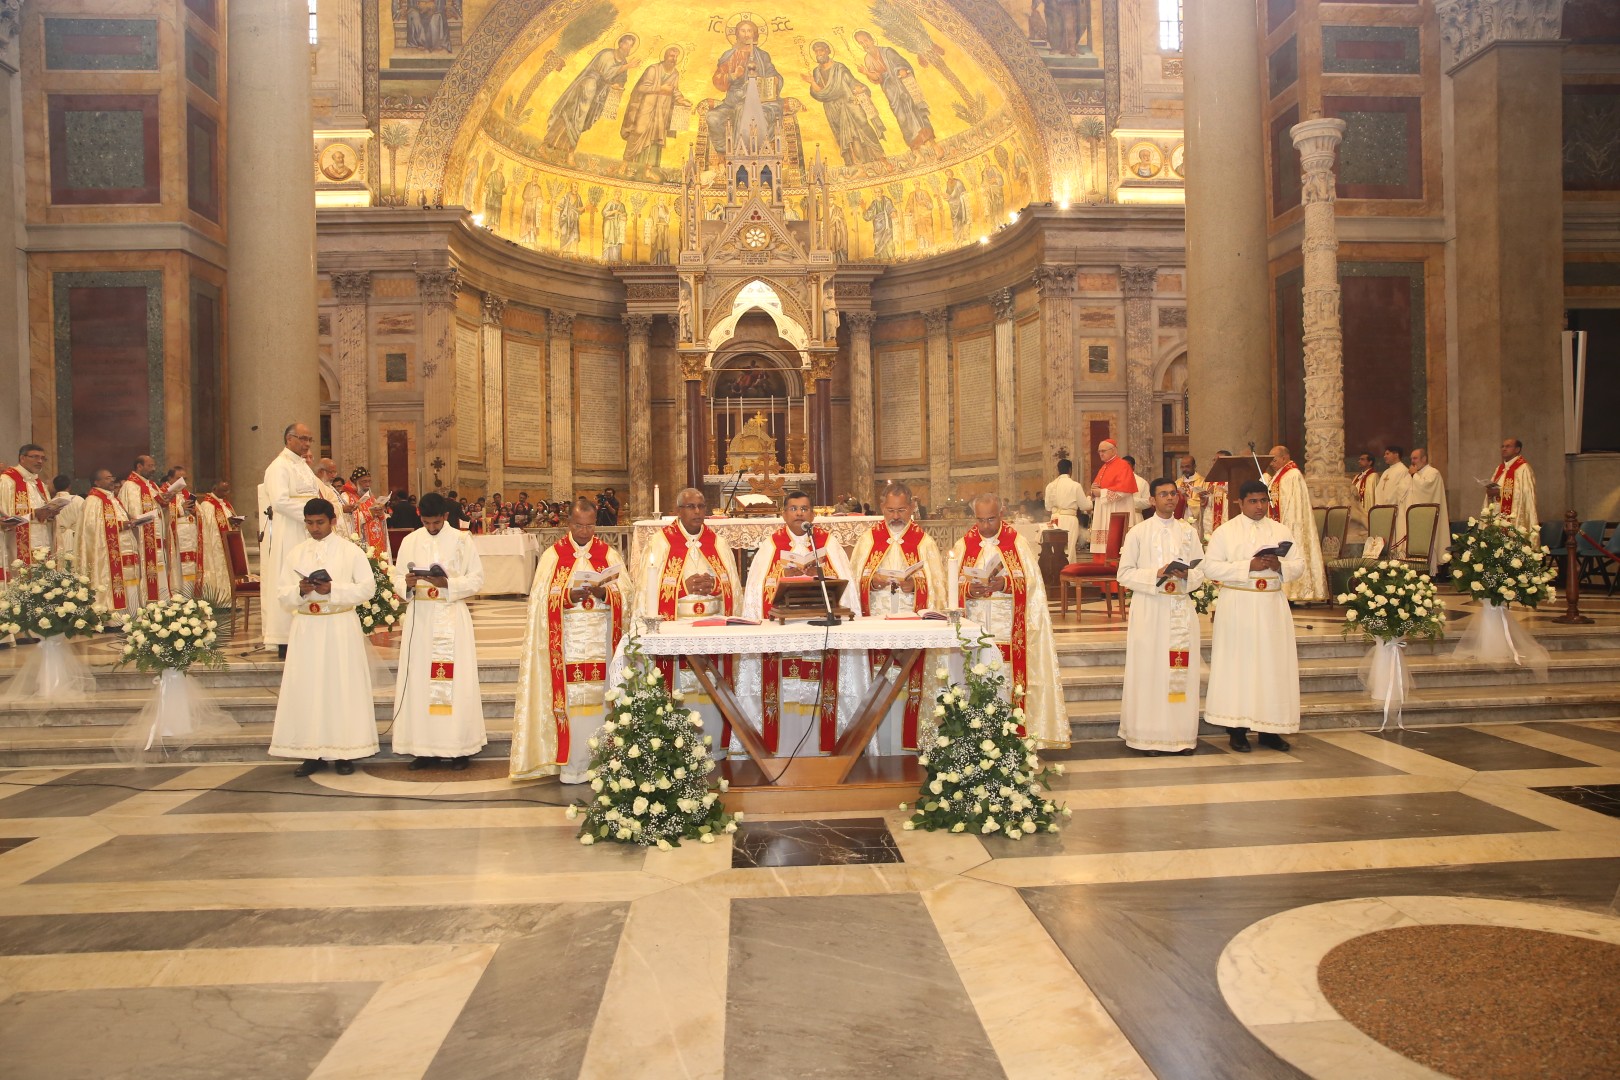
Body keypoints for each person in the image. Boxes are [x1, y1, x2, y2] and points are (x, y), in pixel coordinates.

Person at [511, 497, 632, 783]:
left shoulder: (609, 555)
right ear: (569, 523)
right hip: (566, 644)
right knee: (573, 703)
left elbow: (628, 595)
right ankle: (573, 766)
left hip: (602, 641)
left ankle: (603, 763)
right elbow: (538, 601)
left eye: (590, 526)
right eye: (579, 525)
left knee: (601, 699)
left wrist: (606, 594)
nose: (584, 532)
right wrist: (567, 596)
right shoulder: (554, 555)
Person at [738, 491, 861, 755]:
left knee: (818, 687)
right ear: (784, 514)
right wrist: (785, 575)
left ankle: (821, 747)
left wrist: (819, 573)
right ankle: (783, 745)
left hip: (820, 627)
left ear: (813, 514)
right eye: (793, 509)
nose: (799, 514)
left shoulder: (828, 543)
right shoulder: (772, 545)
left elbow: (845, 584)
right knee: (785, 689)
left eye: (804, 508)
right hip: (786, 629)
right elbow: (757, 588)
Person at [269, 498, 378, 776]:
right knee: (309, 688)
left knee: (341, 687)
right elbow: (282, 593)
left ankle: (345, 752)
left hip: (339, 624)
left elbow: (367, 589)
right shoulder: (296, 553)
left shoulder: (350, 551)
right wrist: (301, 590)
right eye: (309, 523)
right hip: (307, 627)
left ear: (333, 521)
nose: (314, 528)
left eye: (319, 522)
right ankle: (311, 752)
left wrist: (333, 589)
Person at [950, 494, 1067, 747]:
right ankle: (977, 741)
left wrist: (1005, 583)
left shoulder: (1017, 543)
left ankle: (1011, 741)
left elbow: (1034, 584)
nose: (985, 526)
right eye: (980, 520)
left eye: (991, 519)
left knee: (1007, 683)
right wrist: (969, 590)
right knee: (975, 681)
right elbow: (949, 588)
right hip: (975, 628)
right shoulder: (963, 545)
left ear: (1001, 513)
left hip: (1009, 630)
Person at [1202, 481, 1304, 752]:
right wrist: (1249, 565)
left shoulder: (1280, 530)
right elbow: (1210, 567)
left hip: (1271, 604)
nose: (1260, 507)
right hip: (1239, 603)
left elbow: (1299, 564)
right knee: (1239, 665)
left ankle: (1271, 729)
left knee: (1273, 666)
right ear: (1240, 502)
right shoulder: (1226, 532)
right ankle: (1236, 729)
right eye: (1253, 501)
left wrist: (1278, 565)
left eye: (1263, 501)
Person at [637, 487, 741, 752]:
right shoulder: (661, 542)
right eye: (691, 507)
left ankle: (716, 746)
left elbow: (733, 588)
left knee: (710, 686)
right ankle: (677, 749)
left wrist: (715, 585)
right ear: (678, 511)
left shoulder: (716, 542)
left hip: (712, 631)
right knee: (681, 688)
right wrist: (683, 587)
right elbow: (646, 589)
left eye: (701, 507)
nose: (697, 512)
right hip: (677, 631)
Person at [391, 492, 487, 770]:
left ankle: (459, 748)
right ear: (420, 516)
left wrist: (448, 584)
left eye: (437, 522)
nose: (432, 528)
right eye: (427, 522)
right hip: (420, 618)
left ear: (446, 517)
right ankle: (424, 748)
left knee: (455, 682)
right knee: (421, 681)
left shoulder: (461, 540)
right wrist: (407, 583)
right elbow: (396, 578)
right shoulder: (410, 541)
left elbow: (477, 579)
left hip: (451, 615)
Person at [849, 482, 947, 753]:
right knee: (877, 683)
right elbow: (853, 579)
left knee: (908, 685)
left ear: (912, 507)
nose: (895, 516)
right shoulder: (868, 539)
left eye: (901, 510)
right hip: (876, 624)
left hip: (910, 623)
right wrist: (872, 580)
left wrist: (915, 585)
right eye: (890, 510)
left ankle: (909, 745)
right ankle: (873, 745)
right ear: (882, 508)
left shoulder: (924, 542)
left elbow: (938, 585)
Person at [1116, 478, 1206, 755]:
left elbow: (1201, 572)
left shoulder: (1189, 533)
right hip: (1149, 609)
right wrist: (1156, 573)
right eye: (1163, 494)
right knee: (1150, 670)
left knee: (1180, 672)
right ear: (1152, 500)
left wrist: (1186, 574)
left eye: (1173, 494)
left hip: (1179, 608)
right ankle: (1147, 737)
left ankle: (1181, 737)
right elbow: (1124, 574)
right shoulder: (1138, 533)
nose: (1170, 498)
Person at [261, 424, 321, 656]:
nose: (307, 444)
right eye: (303, 438)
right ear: (289, 439)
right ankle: (285, 637)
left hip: (308, 528)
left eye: (310, 439)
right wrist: (312, 515)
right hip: (292, 530)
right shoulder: (279, 466)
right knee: (291, 576)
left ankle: (310, 628)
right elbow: (280, 502)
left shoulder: (302, 465)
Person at [543, 34, 637, 162]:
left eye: (631, 46)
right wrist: (626, 67)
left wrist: (616, 85)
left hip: (597, 96)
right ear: (620, 43)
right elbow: (606, 73)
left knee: (580, 123)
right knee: (568, 117)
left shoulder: (624, 62)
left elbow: (620, 79)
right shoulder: (607, 54)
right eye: (626, 43)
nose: (627, 48)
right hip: (586, 88)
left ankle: (562, 152)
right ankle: (547, 147)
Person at [706, 20, 781, 160]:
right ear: (737, 34)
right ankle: (724, 154)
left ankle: (740, 157)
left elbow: (774, 75)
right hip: (731, 103)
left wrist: (774, 81)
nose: (746, 34)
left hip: (760, 103)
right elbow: (717, 80)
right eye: (743, 31)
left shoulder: (763, 56)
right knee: (713, 117)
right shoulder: (729, 56)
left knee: (743, 109)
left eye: (749, 31)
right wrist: (733, 75)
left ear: (755, 34)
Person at [805, 39, 885, 167]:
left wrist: (858, 87)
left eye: (821, 50)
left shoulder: (839, 67)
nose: (819, 54)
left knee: (863, 125)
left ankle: (881, 158)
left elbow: (851, 81)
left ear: (828, 51)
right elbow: (818, 93)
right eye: (816, 52)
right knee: (845, 136)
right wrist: (812, 83)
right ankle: (857, 165)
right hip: (832, 108)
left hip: (848, 102)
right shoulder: (816, 72)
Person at [77, 468, 141, 618]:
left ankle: (130, 613)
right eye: (107, 478)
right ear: (96, 482)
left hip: (125, 548)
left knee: (129, 578)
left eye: (112, 477)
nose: (112, 480)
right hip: (108, 553)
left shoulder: (114, 499)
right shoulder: (93, 501)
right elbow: (93, 527)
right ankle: (113, 617)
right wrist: (120, 525)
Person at [1266, 445, 1327, 602]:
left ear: (1284, 458)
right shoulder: (1278, 475)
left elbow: (1294, 504)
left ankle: (1296, 591)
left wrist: (1287, 524)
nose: (1271, 463)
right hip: (1279, 521)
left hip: (1292, 522)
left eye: (1274, 460)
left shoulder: (1293, 475)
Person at [854, 30, 934, 150]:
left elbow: (903, 64)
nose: (865, 44)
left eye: (865, 40)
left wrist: (901, 69)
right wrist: (866, 72)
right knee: (901, 116)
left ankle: (932, 143)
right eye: (861, 43)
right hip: (890, 90)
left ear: (871, 39)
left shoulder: (887, 51)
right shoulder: (868, 60)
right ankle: (916, 147)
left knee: (914, 111)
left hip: (902, 84)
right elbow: (877, 78)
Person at [621, 46, 690, 173]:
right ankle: (624, 165)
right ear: (665, 56)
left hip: (662, 109)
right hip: (647, 106)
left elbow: (674, 90)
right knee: (638, 132)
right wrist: (660, 88)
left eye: (676, 57)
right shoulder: (653, 69)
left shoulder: (675, 73)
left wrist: (680, 99)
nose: (673, 59)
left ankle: (648, 171)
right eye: (671, 56)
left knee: (656, 139)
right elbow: (641, 87)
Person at [119, 454, 173, 608]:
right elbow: (128, 513)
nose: (154, 469)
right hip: (142, 540)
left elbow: (159, 510)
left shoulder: (152, 486)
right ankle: (147, 605)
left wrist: (164, 503)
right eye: (150, 466)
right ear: (139, 466)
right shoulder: (129, 487)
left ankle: (161, 604)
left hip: (156, 539)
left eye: (154, 466)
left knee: (160, 570)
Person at [0, 444, 60, 578]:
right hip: (18, 540)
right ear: (22, 458)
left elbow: (44, 510)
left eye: (43, 458)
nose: (39, 461)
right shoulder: (7, 480)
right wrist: (34, 514)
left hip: (42, 539)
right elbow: (4, 516)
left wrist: (50, 514)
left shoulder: (39, 483)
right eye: (35, 457)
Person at [1403, 448, 1452, 573]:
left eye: (1415, 458)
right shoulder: (1413, 474)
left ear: (1424, 459)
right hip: (1415, 517)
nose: (1412, 461)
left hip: (1428, 518)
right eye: (1411, 459)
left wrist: (1414, 475)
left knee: (1430, 541)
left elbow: (1425, 488)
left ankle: (1431, 571)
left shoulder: (1433, 473)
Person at [1088, 439, 1138, 551]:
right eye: (1099, 451)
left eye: (1103, 451)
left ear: (1113, 450)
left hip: (1117, 508)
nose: (1101, 454)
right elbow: (1097, 487)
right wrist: (1093, 490)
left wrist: (1101, 492)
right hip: (1104, 509)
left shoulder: (1123, 465)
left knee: (1115, 546)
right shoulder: (1104, 467)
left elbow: (1123, 491)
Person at [194, 479, 237, 608]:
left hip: (227, 543)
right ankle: (219, 600)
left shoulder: (225, 504)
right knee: (218, 569)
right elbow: (208, 527)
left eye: (227, 490)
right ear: (214, 489)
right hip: (215, 544)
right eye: (223, 490)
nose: (226, 493)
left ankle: (229, 599)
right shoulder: (207, 505)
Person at [1484, 437, 1537, 532]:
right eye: (1502, 446)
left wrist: (1500, 491)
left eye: (1508, 446)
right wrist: (1490, 493)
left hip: (1513, 517)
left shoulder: (1523, 468)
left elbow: (1525, 494)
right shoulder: (1500, 468)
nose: (1504, 449)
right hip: (1497, 513)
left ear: (1517, 449)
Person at [1043, 457, 1091, 562]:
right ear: (1070, 470)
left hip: (1054, 519)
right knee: (1069, 549)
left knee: (1055, 548)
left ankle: (1055, 572)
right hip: (1069, 519)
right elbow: (1085, 506)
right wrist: (1089, 498)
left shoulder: (1050, 486)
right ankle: (1068, 573)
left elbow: (1047, 507)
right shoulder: (1075, 485)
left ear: (1058, 470)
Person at [50, 473, 83, 564]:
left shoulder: (50, 503)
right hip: (76, 538)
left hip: (58, 540)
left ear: (54, 487)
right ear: (69, 486)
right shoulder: (79, 500)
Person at [1350, 452, 1378, 537]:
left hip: (1365, 508)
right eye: (1359, 459)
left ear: (1370, 462)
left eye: (1362, 459)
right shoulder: (1357, 477)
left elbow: (1372, 494)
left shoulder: (1373, 476)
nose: (1359, 461)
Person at [1173, 455, 1206, 525]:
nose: (1184, 469)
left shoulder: (1203, 482)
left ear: (1194, 466)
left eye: (1187, 466)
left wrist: (1187, 501)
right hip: (1180, 516)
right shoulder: (1177, 483)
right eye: (1182, 467)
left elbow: (1205, 503)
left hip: (1195, 518)